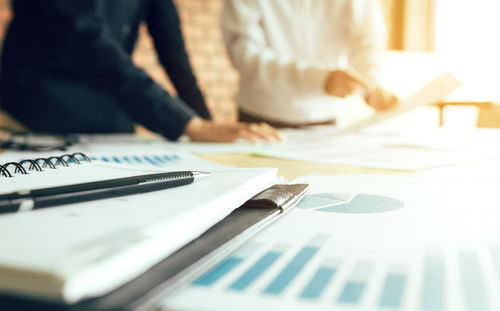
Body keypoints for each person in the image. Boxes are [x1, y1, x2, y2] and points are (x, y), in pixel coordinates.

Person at [0, 0, 281, 143]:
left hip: (108, 113)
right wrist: (188, 124)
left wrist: (204, 122)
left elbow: (171, 43)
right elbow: (88, 41)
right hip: (35, 109)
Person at [222, 0, 398, 127]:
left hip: (325, 117)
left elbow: (366, 39)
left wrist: (372, 82)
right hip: (262, 116)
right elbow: (245, 53)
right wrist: (319, 79)